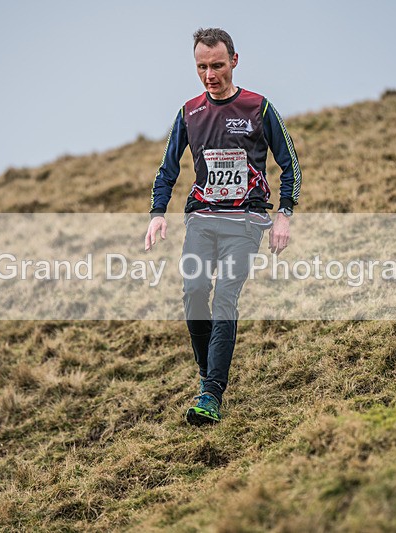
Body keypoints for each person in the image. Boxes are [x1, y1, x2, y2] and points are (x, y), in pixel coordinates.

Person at [144, 27, 302, 425]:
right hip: (201, 220)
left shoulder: (258, 107)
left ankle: (211, 394)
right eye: (201, 67)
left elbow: (291, 166)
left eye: (217, 65)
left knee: (225, 300)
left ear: (234, 60)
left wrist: (285, 213)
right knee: (195, 293)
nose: (210, 74)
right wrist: (157, 214)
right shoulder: (189, 112)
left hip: (245, 223)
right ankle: (207, 374)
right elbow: (167, 170)